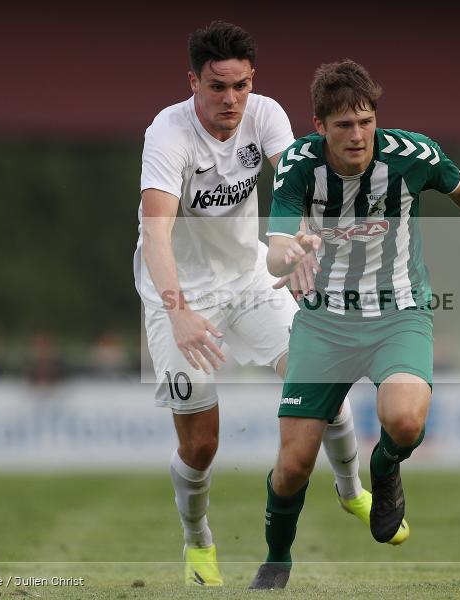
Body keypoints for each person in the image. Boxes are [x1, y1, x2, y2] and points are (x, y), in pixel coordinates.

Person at [134, 24, 404, 587]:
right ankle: (198, 541)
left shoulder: (265, 115)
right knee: (201, 445)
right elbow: (155, 232)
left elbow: (300, 185)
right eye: (217, 86)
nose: (231, 99)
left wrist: (299, 241)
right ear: (194, 82)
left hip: (251, 277)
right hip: (180, 293)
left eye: (241, 85)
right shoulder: (167, 134)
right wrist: (177, 311)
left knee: (321, 379)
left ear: (252, 80)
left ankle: (352, 490)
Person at [249, 60, 460, 589]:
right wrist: (290, 251)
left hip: (398, 314)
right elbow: (275, 252)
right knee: (292, 467)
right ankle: (277, 560)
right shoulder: (298, 164)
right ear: (319, 126)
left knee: (404, 422)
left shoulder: (411, 154)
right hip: (325, 323)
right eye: (343, 125)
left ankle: (384, 468)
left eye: (365, 121)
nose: (357, 135)